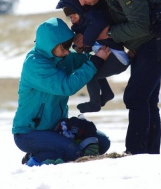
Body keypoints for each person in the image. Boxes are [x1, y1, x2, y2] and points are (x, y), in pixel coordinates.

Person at [63, 0, 161, 155]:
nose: (81, 3)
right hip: (144, 43)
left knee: (136, 97)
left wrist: (107, 33)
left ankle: (136, 153)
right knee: (147, 99)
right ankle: (149, 155)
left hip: (160, 40)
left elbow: (142, 25)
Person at [12, 17, 111, 165]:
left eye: (68, 46)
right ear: (49, 45)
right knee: (73, 152)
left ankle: (44, 153)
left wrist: (80, 49)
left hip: (56, 128)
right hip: (29, 133)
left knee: (102, 142)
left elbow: (84, 60)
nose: (66, 52)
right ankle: (34, 161)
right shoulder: (35, 64)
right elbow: (66, 87)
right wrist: (95, 61)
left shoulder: (61, 57)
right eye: (63, 48)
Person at [56, 0, 130, 113]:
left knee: (89, 75)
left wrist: (86, 40)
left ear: (80, 11)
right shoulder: (84, 25)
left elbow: (97, 26)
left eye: (74, 16)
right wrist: (80, 46)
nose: (72, 20)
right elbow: (90, 46)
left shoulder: (94, 17)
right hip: (112, 57)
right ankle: (107, 94)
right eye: (70, 18)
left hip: (116, 57)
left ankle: (94, 104)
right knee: (94, 68)